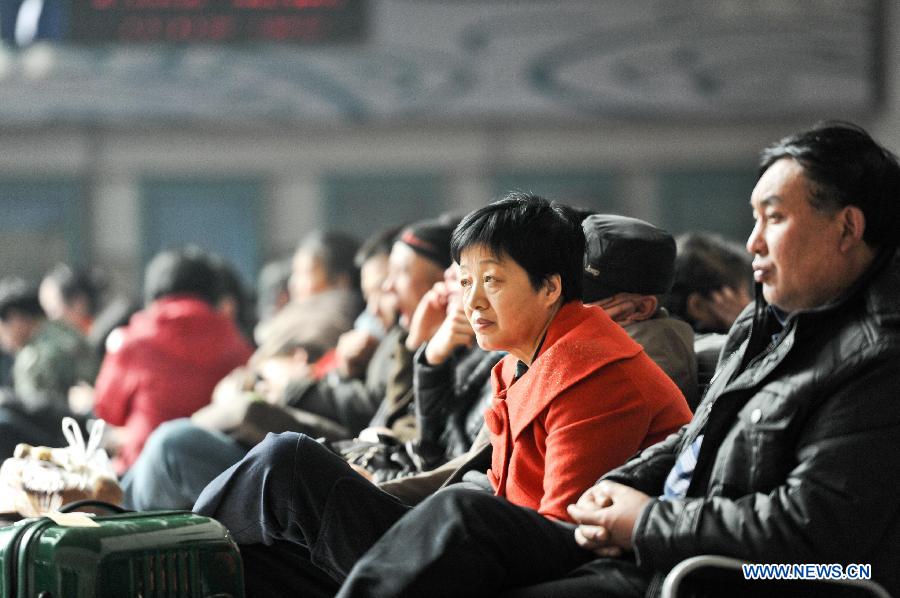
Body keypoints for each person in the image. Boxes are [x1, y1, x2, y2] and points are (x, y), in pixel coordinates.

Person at [335, 122, 900, 597]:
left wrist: (648, 523)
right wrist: (614, 491)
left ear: (848, 228)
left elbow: (818, 541)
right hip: (664, 547)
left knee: (464, 524)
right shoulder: (764, 325)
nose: (751, 242)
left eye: (773, 219)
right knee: (447, 514)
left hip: (737, 574)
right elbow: (694, 439)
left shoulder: (878, 358)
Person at [193, 192, 691, 596]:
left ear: (551, 288)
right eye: (466, 281)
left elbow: (563, 536)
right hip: (477, 542)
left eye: (491, 281)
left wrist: (442, 519)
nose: (471, 301)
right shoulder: (521, 361)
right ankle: (171, 552)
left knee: (460, 511)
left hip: (533, 556)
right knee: (286, 471)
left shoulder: (597, 371)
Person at [91, 247, 254, 474]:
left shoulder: (133, 339)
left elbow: (107, 410)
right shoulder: (237, 341)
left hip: (146, 472)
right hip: (217, 478)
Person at [581, 214, 699, 409]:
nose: (567, 301)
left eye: (585, 295)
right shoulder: (612, 337)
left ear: (641, 308)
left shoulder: (647, 362)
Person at [0, 277, 99, 458]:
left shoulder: (33, 357)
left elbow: (34, 416)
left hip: (65, 448)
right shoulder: (67, 330)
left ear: (15, 319)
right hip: (94, 435)